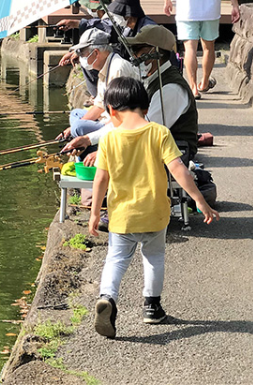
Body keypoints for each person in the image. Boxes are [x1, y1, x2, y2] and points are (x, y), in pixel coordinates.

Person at [89, 77, 218, 338]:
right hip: (155, 214)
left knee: (116, 259)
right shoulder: (159, 133)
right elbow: (179, 170)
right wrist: (200, 200)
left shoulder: (110, 139)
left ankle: (107, 297)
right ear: (146, 108)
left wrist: (94, 213)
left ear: (111, 110)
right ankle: (152, 307)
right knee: (154, 257)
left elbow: (101, 179)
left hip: (121, 216)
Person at [59, 28, 140, 168]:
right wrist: (70, 129)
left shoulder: (118, 68)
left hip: (116, 122)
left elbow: (121, 115)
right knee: (76, 115)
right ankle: (82, 149)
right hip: (107, 116)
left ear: (96, 53)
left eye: (82, 53)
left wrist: (75, 128)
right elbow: (99, 105)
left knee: (78, 126)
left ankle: (86, 161)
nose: (81, 58)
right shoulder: (105, 67)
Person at [124, 25, 200, 161]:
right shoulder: (152, 79)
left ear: (154, 52)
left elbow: (144, 131)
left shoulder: (171, 88)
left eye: (137, 50)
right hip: (153, 147)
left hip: (173, 155)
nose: (134, 56)